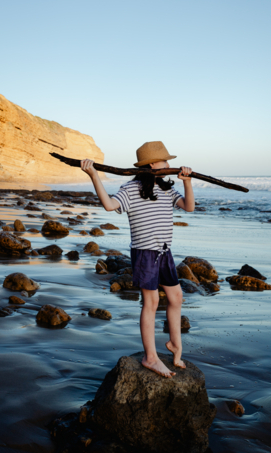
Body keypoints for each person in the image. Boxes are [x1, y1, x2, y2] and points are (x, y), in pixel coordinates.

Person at [81, 141, 195, 378]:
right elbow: (109, 205)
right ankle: (150, 357)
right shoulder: (131, 189)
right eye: (165, 161)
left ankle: (175, 345)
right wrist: (94, 175)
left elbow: (189, 207)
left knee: (176, 297)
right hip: (145, 253)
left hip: (164, 252)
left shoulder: (166, 187)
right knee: (151, 303)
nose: (169, 165)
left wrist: (187, 182)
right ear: (153, 164)